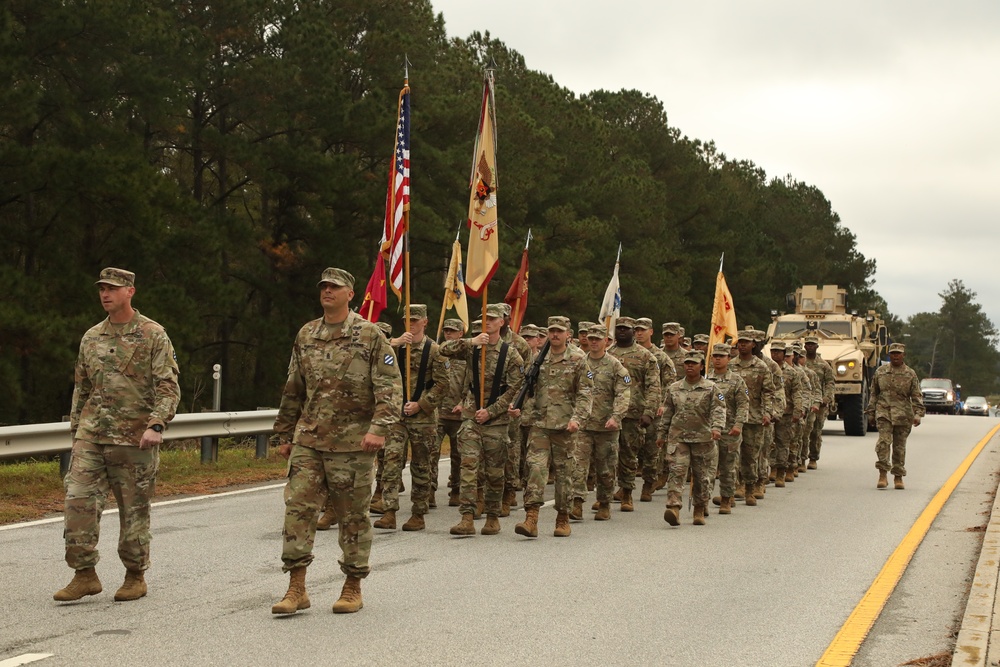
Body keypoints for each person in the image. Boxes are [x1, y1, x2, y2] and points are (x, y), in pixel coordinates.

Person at [270, 268, 402, 615]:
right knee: (297, 511)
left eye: (335, 287)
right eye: (323, 286)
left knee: (352, 517)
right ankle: (296, 587)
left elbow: (389, 386)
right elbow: (294, 386)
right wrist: (285, 433)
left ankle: (352, 585)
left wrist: (379, 428)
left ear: (350, 294)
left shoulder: (370, 335)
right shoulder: (307, 333)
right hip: (310, 439)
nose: (327, 291)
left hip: (353, 442)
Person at [54, 268, 181, 604]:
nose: (105, 294)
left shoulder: (153, 334)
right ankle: (84, 574)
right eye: (102, 289)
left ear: (130, 292)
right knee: (77, 503)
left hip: (134, 439)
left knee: (133, 512)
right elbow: (81, 388)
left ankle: (135, 575)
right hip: (92, 436)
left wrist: (156, 424)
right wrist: (76, 433)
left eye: (112, 288)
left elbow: (168, 385)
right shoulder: (92, 336)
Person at [440, 304, 523, 536]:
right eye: (484, 318)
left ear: (502, 322)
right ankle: (467, 516)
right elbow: (442, 350)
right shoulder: (472, 348)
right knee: (469, 466)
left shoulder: (511, 354)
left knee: (495, 472)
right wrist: (470, 342)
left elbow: (514, 389)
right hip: (470, 416)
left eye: (492, 318)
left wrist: (492, 411)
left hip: (496, 420)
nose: (487, 321)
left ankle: (493, 515)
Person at [511, 316, 593, 538]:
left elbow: (585, 393)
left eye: (559, 331)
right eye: (551, 331)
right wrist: (520, 409)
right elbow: (529, 391)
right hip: (540, 425)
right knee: (535, 469)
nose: (555, 335)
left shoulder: (578, 359)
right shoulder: (539, 359)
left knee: (564, 474)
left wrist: (578, 418)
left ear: (568, 334)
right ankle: (531, 517)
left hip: (566, 427)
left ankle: (563, 517)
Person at [373, 305, 448, 531]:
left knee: (421, 465)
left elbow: (443, 383)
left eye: (415, 320)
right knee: (391, 462)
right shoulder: (395, 348)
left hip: (422, 418)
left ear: (425, 321)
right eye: (408, 319)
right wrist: (393, 344)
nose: (411, 323)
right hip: (397, 416)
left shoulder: (434, 350)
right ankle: (389, 511)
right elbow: (378, 366)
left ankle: (418, 512)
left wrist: (421, 404)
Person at [658, 351, 726, 526]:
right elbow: (667, 413)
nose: (689, 366)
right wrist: (661, 434)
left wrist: (717, 428)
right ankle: (674, 508)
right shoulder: (674, 388)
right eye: (687, 363)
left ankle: (699, 508)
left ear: (702, 366)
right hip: (678, 438)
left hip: (703, 439)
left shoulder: (711, 388)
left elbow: (719, 410)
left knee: (703, 477)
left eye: (694, 363)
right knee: (676, 472)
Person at [578, 324, 631, 521]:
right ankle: (576, 502)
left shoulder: (615, 366)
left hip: (606, 426)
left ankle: (605, 503)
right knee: (578, 467)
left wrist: (616, 416)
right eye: (590, 338)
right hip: (582, 425)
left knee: (606, 468)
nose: (593, 342)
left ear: (606, 342)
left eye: (597, 339)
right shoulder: (579, 362)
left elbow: (623, 393)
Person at [608, 317, 660, 511]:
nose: (622, 331)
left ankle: (627, 493)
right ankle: (605, 494)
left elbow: (654, 387)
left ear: (633, 331)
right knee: (607, 456)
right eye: (619, 328)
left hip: (634, 413)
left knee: (629, 454)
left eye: (626, 329)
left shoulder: (646, 356)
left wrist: (649, 412)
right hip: (609, 414)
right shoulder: (608, 353)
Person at [866, 343, 924, 490]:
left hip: (903, 415)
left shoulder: (910, 374)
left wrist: (918, 414)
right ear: (889, 355)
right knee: (884, 442)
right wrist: (871, 412)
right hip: (884, 412)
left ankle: (898, 476)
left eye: (898, 353)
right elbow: (874, 393)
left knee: (899, 447)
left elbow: (916, 396)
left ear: (903, 355)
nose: (895, 356)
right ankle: (883, 474)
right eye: (893, 353)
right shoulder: (880, 372)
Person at [731, 330, 778, 506]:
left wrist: (767, 413)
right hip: (734, 418)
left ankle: (751, 488)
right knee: (733, 455)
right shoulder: (730, 366)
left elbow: (768, 392)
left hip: (754, 417)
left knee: (750, 456)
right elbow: (721, 392)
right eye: (740, 342)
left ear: (753, 344)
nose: (742, 344)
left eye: (746, 342)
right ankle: (738, 485)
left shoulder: (761, 367)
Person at [634, 317, 676, 495]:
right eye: (636, 330)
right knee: (628, 449)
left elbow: (669, 384)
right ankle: (625, 486)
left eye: (643, 330)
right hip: (631, 408)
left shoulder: (660, 357)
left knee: (652, 450)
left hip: (653, 410)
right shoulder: (628, 353)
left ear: (651, 332)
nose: (639, 333)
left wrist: (662, 405)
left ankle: (648, 483)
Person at [706, 343, 748, 515]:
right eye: (715, 356)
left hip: (730, 430)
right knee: (707, 468)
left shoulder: (737, 380)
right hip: (709, 430)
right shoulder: (706, 379)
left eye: (721, 356)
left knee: (727, 467)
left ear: (728, 359)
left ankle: (726, 499)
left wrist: (739, 424)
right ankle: (703, 501)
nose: (717, 359)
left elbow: (743, 404)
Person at [437, 318, 467, 508]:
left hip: (458, 415)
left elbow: (472, 384)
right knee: (431, 453)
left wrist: (464, 403)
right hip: (438, 413)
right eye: (446, 331)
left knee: (457, 456)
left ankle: (456, 489)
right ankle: (429, 491)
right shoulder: (438, 354)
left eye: (452, 331)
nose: (448, 334)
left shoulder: (466, 357)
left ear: (460, 334)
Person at [803, 334, 835, 469]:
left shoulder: (824, 365)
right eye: (808, 344)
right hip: (804, 401)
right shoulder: (800, 362)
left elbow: (830, 383)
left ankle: (813, 458)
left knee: (816, 431)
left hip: (819, 403)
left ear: (817, 346)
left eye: (812, 344)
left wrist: (826, 399)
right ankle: (800, 458)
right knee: (803, 431)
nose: (810, 346)